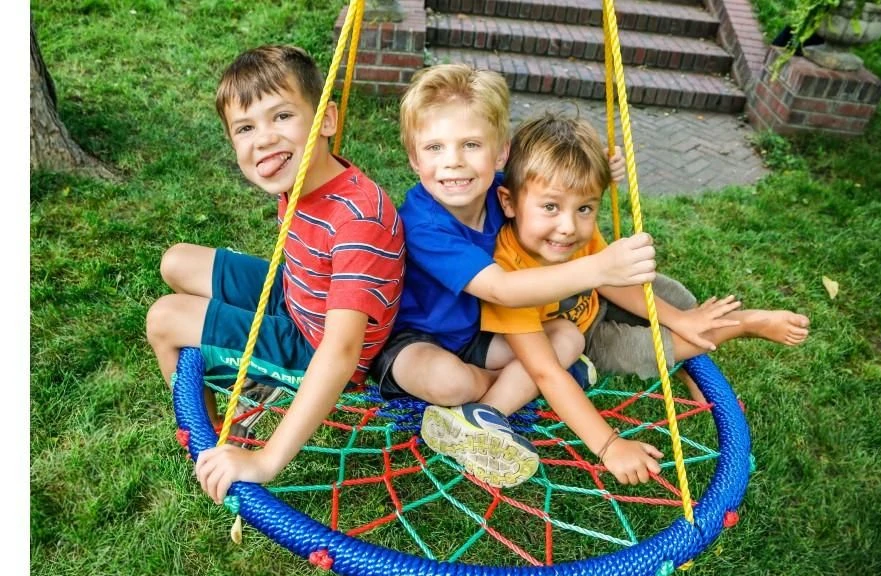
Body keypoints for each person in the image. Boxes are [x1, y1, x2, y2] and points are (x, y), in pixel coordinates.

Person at [477, 111, 811, 484]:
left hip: (597, 300)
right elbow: (545, 371)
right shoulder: (506, 274)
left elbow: (608, 281)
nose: (569, 227)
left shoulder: (571, 237)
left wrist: (678, 316)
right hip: (586, 338)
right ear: (508, 202)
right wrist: (609, 445)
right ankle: (745, 324)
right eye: (551, 207)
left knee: (671, 295)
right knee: (652, 348)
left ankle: (688, 363)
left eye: (585, 208)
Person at [369, 63, 657, 488]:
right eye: (434, 148)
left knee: (566, 338)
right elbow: (502, 290)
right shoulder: (423, 224)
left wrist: (600, 171)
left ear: (500, 153)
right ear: (414, 158)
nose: (454, 163)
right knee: (449, 382)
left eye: (471, 145)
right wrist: (597, 267)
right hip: (413, 339)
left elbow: (554, 183)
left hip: (479, 334)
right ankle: (505, 393)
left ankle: (479, 416)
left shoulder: (499, 190)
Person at [145, 45, 406, 504]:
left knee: (165, 318)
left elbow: (342, 351)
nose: (263, 139)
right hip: (297, 296)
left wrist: (266, 461)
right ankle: (228, 414)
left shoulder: (358, 220)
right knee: (177, 261)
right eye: (246, 128)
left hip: (319, 348)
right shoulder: (308, 176)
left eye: (281, 116)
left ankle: (212, 440)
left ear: (326, 120)